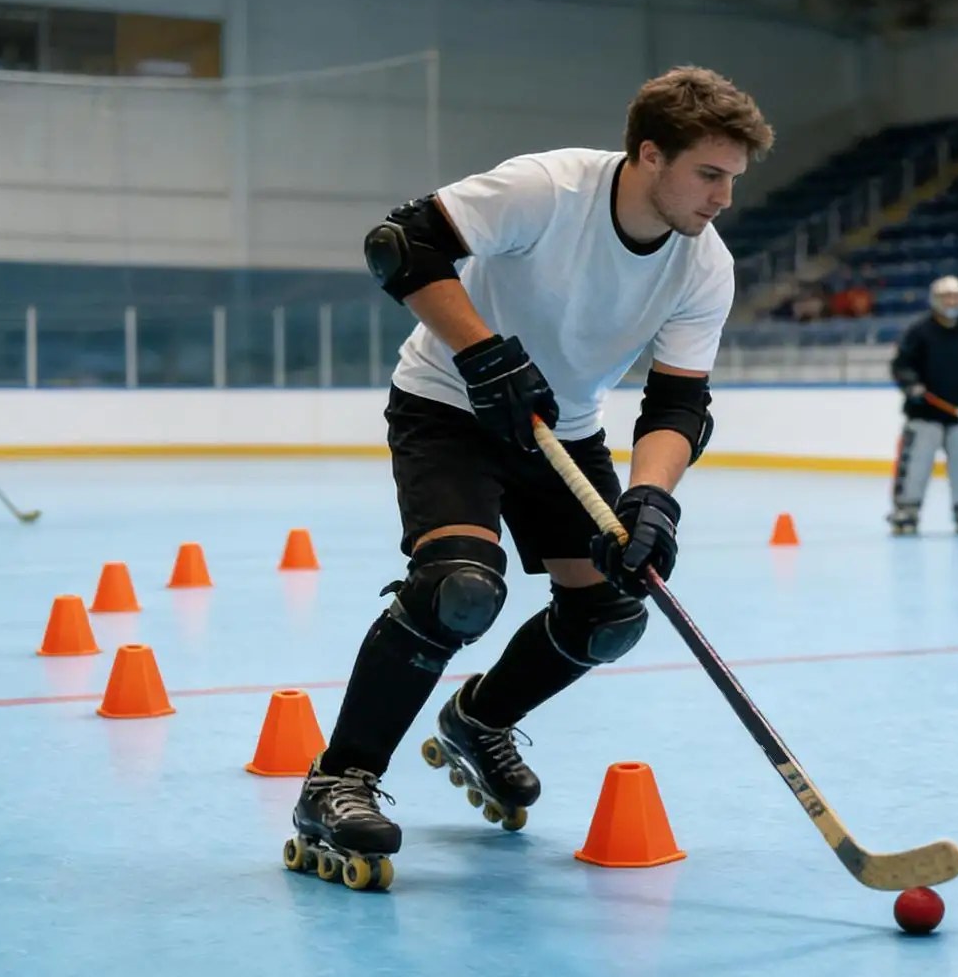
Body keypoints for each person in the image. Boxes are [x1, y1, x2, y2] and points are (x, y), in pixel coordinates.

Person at [286, 66, 774, 890]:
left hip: (564, 431)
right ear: (650, 155)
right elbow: (401, 244)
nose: (723, 197)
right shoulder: (547, 188)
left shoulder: (702, 263)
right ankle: (339, 779)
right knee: (460, 588)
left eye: (732, 178)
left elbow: (678, 403)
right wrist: (482, 355)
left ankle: (481, 719)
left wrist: (652, 497)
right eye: (710, 174)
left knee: (611, 614)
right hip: (449, 407)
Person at [888, 274, 958, 536]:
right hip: (925, 412)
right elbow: (901, 365)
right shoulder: (918, 331)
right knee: (916, 463)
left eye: (957, 296)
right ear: (935, 300)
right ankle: (907, 508)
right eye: (947, 296)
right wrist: (911, 384)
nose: (952, 301)